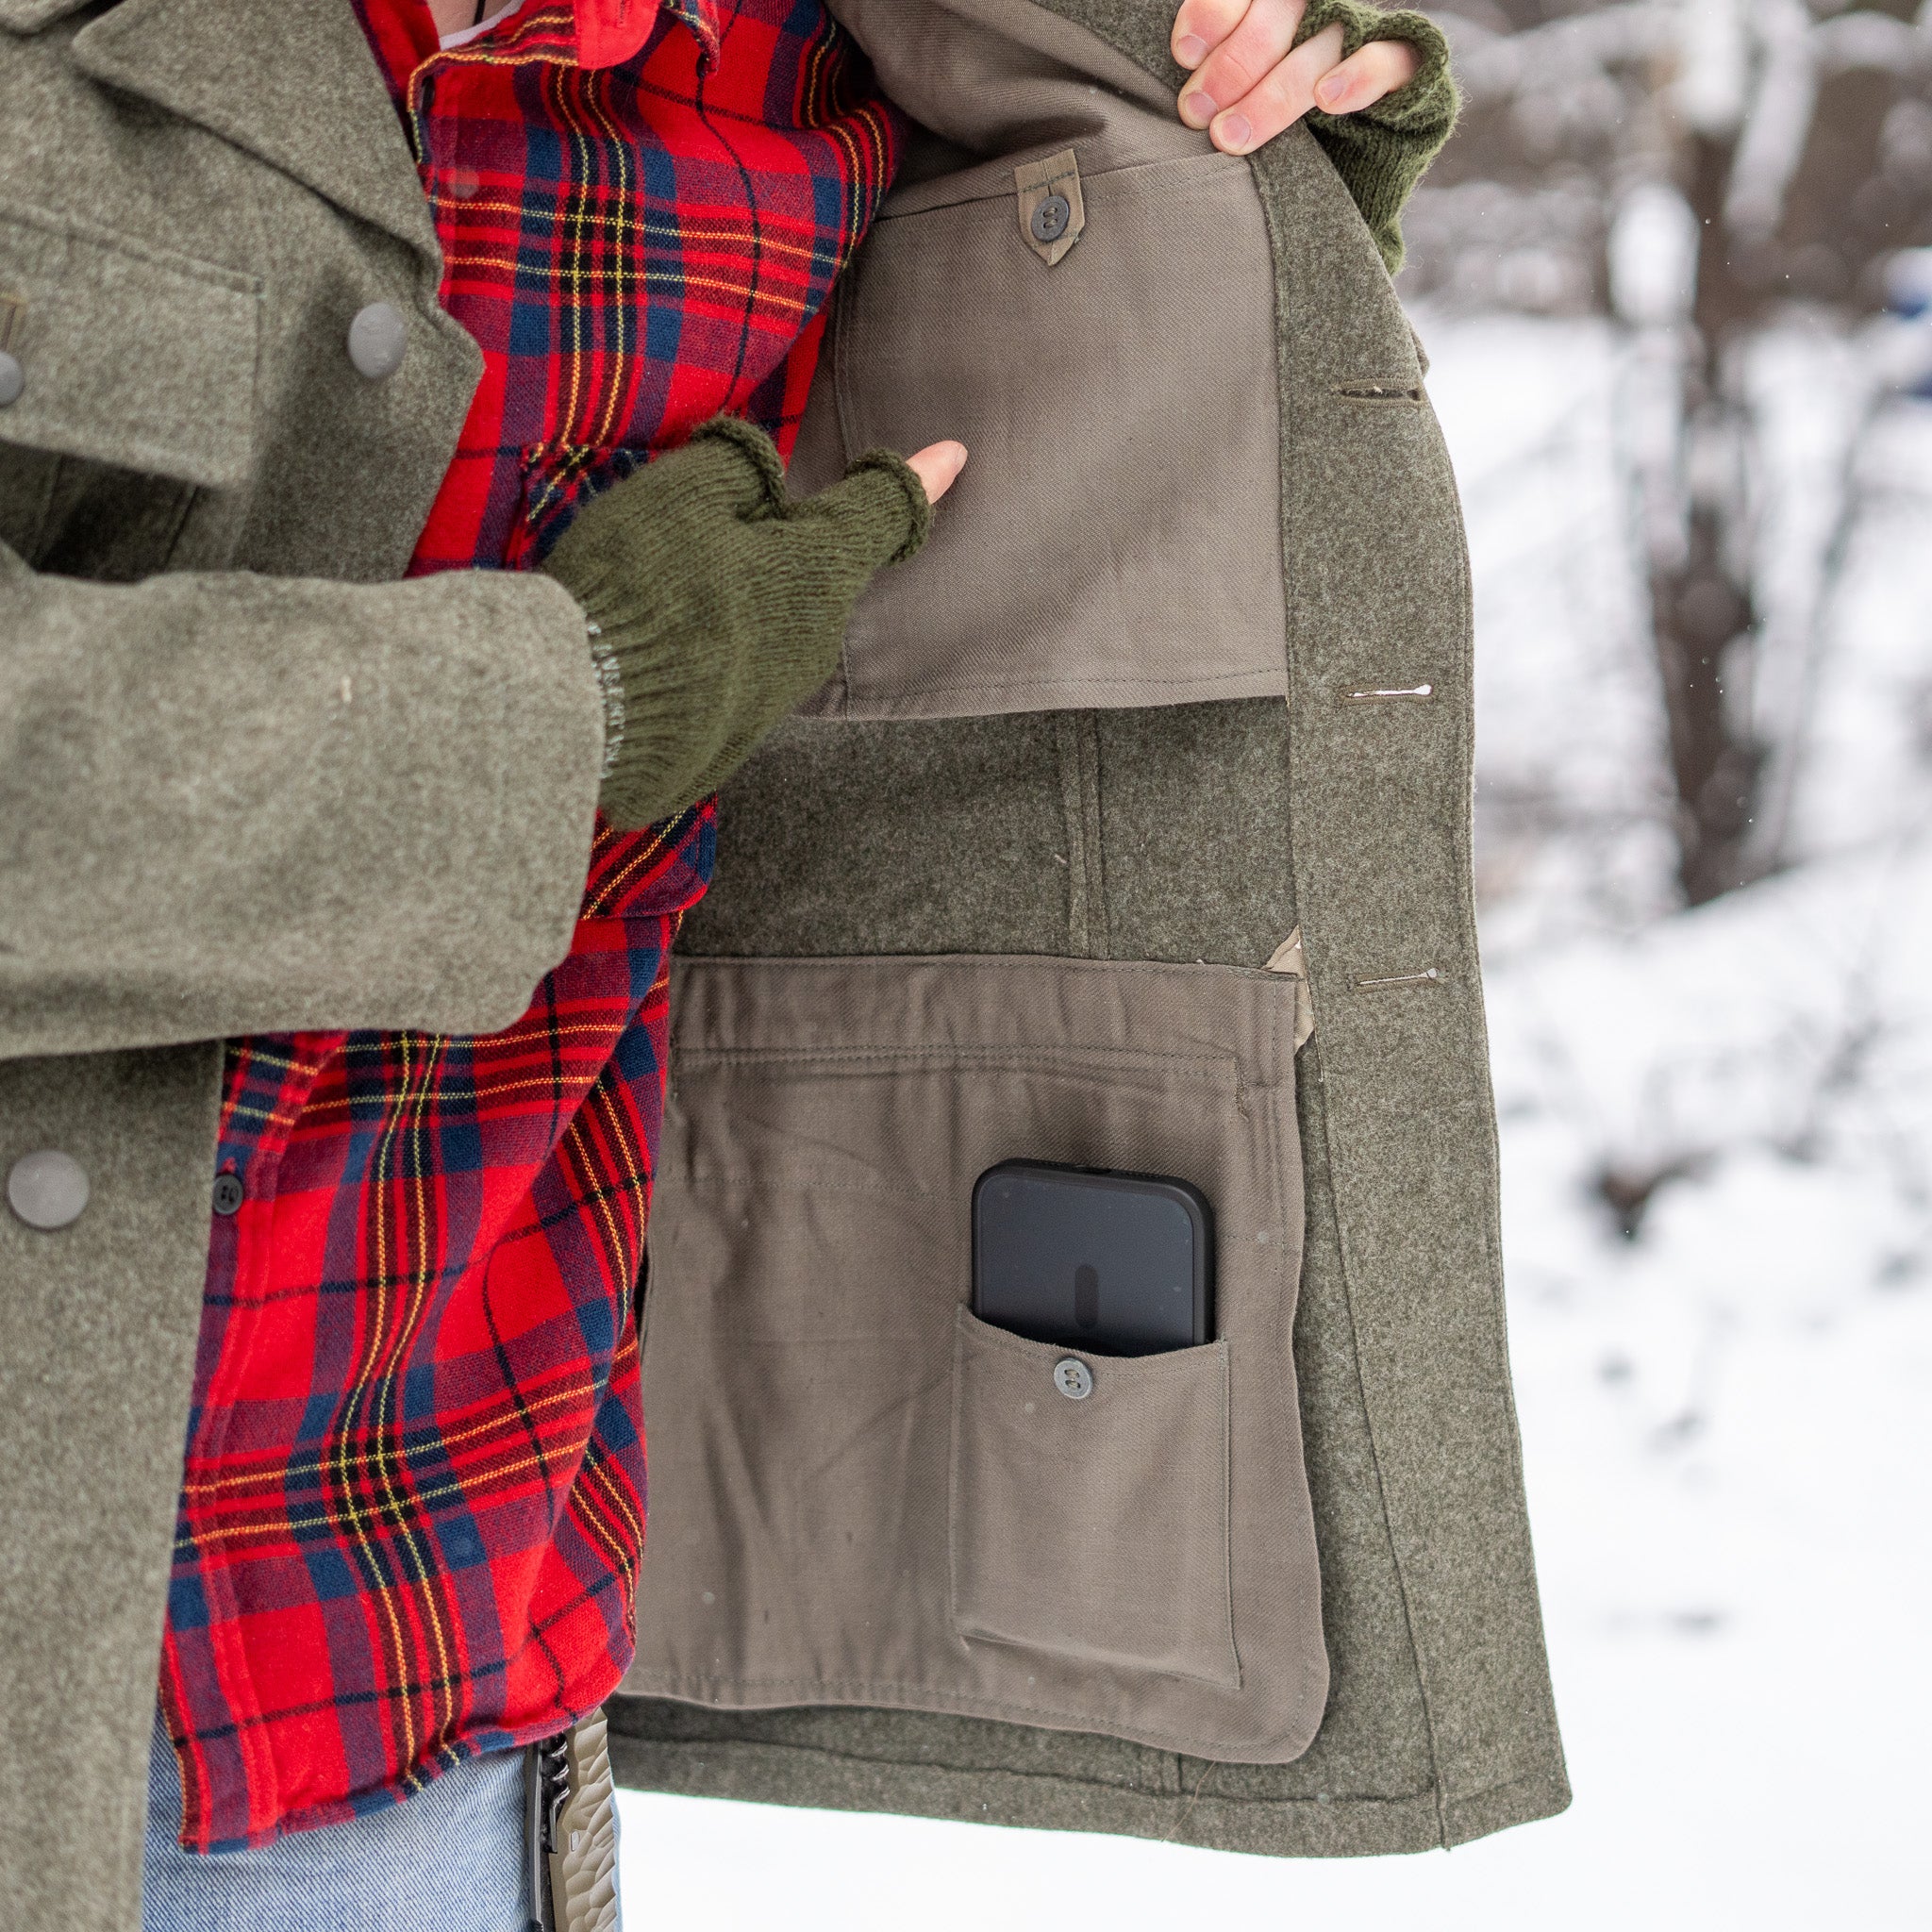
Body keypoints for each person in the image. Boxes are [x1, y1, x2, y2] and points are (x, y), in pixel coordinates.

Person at [0, 0, 1454, 1925]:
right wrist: (571, 706)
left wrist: (1254, 176)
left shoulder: (859, 84)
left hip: (423, 1683)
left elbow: (1082, 557)